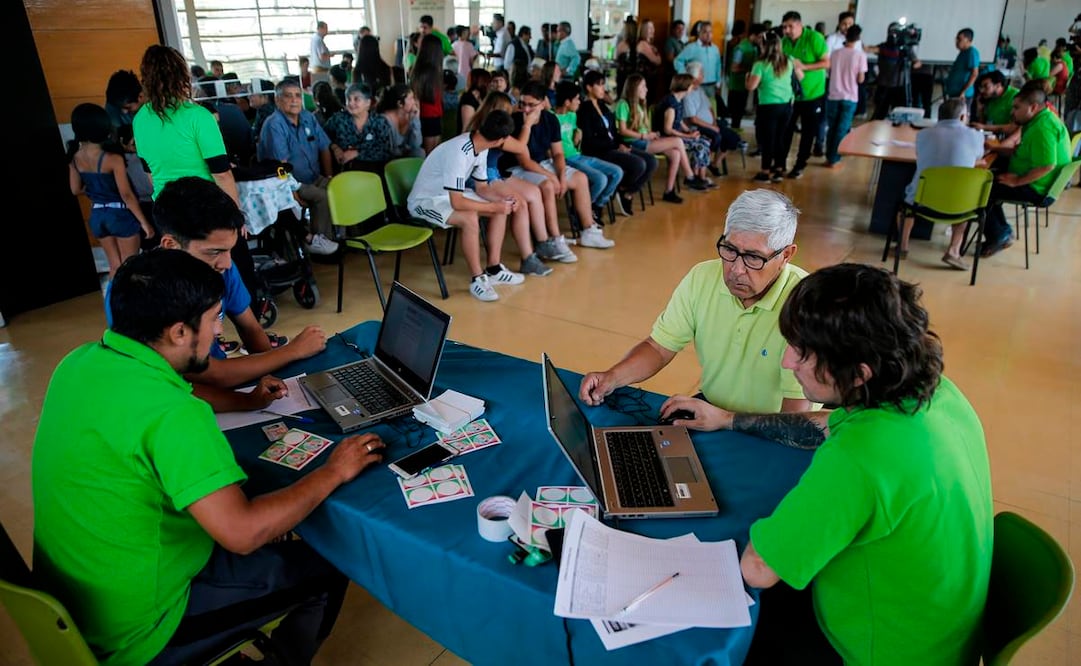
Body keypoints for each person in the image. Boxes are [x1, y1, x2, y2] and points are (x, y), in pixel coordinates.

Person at [33, 247, 385, 666]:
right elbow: (243, 532)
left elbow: (175, 393)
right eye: (215, 318)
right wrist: (334, 471)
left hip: (80, 599)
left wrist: (245, 403)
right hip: (143, 629)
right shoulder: (174, 415)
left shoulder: (80, 361)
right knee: (327, 568)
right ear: (179, 332)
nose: (219, 332)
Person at [665, 263, 991, 665]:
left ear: (858, 373)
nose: (787, 362)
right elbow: (829, 423)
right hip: (937, 628)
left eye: (802, 352)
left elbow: (758, 569)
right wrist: (729, 419)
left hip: (875, 651)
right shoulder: (935, 393)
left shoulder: (862, 456)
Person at [103, 176, 329, 410]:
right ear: (171, 245)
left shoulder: (220, 268)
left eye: (230, 250)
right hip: (180, 403)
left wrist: (275, 377)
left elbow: (250, 328)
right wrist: (291, 352)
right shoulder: (135, 290)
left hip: (221, 388)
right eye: (214, 251)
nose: (227, 264)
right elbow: (199, 377)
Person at [579, 188, 811, 414]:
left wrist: (727, 421)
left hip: (770, 428)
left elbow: (796, 417)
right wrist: (612, 377)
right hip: (711, 408)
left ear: (786, 255)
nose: (737, 270)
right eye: (729, 250)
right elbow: (659, 348)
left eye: (753, 257)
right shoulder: (702, 278)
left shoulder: (805, 305)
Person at [407, 109, 526, 302]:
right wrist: (493, 208)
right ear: (500, 141)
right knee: (470, 217)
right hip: (426, 200)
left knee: (499, 205)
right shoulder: (459, 152)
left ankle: (494, 268)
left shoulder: (481, 145)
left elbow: (481, 188)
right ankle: (478, 279)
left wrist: (501, 201)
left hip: (450, 195)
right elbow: (458, 202)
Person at [498, 82, 616, 249]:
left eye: (531, 105)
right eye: (522, 103)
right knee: (548, 185)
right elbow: (524, 161)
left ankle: (589, 230)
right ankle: (554, 237)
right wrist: (551, 177)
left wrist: (560, 175)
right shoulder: (516, 121)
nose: (525, 109)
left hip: (543, 163)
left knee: (581, 178)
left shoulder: (550, 119)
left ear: (543, 103)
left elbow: (558, 153)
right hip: (520, 167)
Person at [132, 45, 240, 207]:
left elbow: (150, 173)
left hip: (167, 209)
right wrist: (235, 214)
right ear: (183, 76)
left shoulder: (139, 119)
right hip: (205, 206)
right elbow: (222, 174)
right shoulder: (198, 116)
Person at [893, 99, 987, 270]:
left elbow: (921, 156)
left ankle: (903, 245)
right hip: (958, 205)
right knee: (966, 206)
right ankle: (953, 251)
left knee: (906, 203)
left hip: (922, 201)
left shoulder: (923, 135)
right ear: (962, 117)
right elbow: (978, 157)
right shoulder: (975, 135)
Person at [980, 85, 1071, 257]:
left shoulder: (1042, 128)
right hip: (1034, 178)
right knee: (990, 173)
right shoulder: (1040, 120)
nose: (1012, 112)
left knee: (982, 187)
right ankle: (1001, 230)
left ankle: (999, 234)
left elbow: (1047, 165)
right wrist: (998, 149)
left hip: (1037, 187)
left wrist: (1016, 181)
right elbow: (1025, 151)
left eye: (1016, 108)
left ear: (1033, 107)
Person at [67, 103, 155, 278]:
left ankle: (111, 304)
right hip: (120, 215)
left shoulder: (75, 157)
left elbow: (75, 189)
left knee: (114, 266)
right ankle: (130, 304)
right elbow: (126, 195)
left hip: (97, 215)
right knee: (130, 268)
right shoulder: (112, 158)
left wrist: (97, 190)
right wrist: (145, 223)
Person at [257, 78, 340, 255]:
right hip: (291, 183)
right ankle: (319, 243)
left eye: (297, 95)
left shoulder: (308, 116)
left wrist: (330, 176)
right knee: (322, 196)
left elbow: (324, 147)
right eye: (288, 96)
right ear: (278, 100)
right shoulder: (275, 125)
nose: (294, 100)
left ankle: (339, 238)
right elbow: (280, 166)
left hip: (314, 176)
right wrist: (291, 194)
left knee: (339, 188)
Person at [577, 69, 656, 216]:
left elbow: (614, 132)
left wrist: (621, 144)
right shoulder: (584, 110)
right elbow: (589, 141)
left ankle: (626, 190)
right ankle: (616, 191)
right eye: (599, 85)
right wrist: (616, 146)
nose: (603, 89)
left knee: (651, 161)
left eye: (603, 85)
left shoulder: (603, 107)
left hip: (614, 147)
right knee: (639, 164)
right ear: (589, 87)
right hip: (600, 151)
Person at [615, 73, 700, 203]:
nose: (646, 89)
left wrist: (651, 134)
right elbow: (623, 131)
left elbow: (643, 127)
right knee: (678, 141)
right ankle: (690, 176)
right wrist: (644, 136)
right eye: (643, 86)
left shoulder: (639, 105)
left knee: (676, 153)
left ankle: (669, 191)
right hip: (634, 143)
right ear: (634, 88)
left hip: (645, 140)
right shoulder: (623, 104)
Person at [553, 80, 626, 224]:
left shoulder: (573, 116)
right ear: (567, 102)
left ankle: (595, 206)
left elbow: (574, 141)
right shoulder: (551, 117)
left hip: (579, 155)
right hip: (566, 159)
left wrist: (577, 137)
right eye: (577, 99)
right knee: (600, 179)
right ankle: (580, 211)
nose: (579, 102)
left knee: (617, 172)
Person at [780, 11, 830, 178]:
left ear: (799, 25)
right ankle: (780, 163)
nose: (787, 30)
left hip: (813, 94)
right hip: (791, 95)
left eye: (790, 26)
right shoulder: (784, 42)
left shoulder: (814, 38)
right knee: (786, 129)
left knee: (808, 132)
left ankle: (800, 164)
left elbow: (826, 63)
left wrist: (803, 67)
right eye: (784, 27)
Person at [747, 32, 800, 183]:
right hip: (786, 104)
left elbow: (751, 86)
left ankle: (765, 172)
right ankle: (778, 169)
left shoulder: (760, 64)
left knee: (767, 139)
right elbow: (800, 77)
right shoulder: (788, 60)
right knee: (780, 138)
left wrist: (747, 79)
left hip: (768, 105)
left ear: (764, 45)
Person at [683, 61, 745, 177]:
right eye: (701, 73)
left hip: (711, 124)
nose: (703, 75)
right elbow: (693, 119)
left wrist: (714, 121)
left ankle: (714, 164)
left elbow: (710, 107)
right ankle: (700, 166)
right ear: (694, 76)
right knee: (716, 137)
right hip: (697, 127)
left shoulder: (700, 90)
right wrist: (712, 127)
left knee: (733, 138)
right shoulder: (688, 93)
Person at [654, 73, 716, 188]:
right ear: (686, 87)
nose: (693, 88)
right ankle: (694, 178)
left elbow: (679, 121)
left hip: (677, 135)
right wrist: (688, 136)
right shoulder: (670, 104)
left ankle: (699, 177)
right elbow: (668, 130)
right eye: (691, 85)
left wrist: (688, 131)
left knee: (705, 141)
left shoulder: (678, 100)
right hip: (667, 137)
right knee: (701, 145)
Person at [823, 24, 867, 167]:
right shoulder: (860, 55)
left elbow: (829, 72)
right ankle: (835, 157)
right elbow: (860, 79)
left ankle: (829, 156)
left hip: (834, 94)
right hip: (849, 96)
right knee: (842, 128)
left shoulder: (835, 53)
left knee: (832, 127)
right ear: (858, 38)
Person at [674, 20, 724, 110]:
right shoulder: (691, 47)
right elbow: (678, 61)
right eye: (705, 32)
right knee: (696, 109)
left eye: (710, 32)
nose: (708, 35)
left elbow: (718, 65)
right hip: (696, 85)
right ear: (699, 33)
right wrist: (686, 75)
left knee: (710, 109)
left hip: (711, 86)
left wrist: (718, 82)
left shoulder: (715, 49)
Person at [325, 83, 375, 169]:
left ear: (368, 102)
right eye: (348, 99)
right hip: (344, 170)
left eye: (356, 99)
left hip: (373, 171)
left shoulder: (378, 121)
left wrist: (357, 152)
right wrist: (335, 147)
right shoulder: (338, 119)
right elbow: (323, 136)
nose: (351, 103)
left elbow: (385, 149)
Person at [412, 34, 446, 153]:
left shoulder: (419, 69)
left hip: (427, 116)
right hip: (430, 116)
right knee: (432, 155)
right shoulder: (430, 71)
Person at [726, 23, 764, 131]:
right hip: (737, 85)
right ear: (753, 35)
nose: (761, 39)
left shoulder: (754, 48)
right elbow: (734, 68)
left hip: (745, 84)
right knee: (736, 112)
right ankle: (734, 132)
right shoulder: (741, 48)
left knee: (740, 110)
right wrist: (750, 70)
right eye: (760, 36)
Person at [104, 69, 144, 137]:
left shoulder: (154, 108)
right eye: (119, 107)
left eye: (128, 107)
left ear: (140, 97)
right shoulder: (113, 104)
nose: (124, 112)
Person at [945, 28, 980, 106]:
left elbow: (974, 74)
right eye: (956, 39)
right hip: (954, 93)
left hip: (962, 95)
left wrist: (963, 91)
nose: (956, 42)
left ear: (967, 40)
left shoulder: (971, 52)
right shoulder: (963, 52)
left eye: (959, 39)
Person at [458, 68, 491, 132]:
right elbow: (466, 127)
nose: (490, 84)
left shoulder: (483, 97)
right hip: (470, 137)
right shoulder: (468, 98)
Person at [505, 25, 536, 91]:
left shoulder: (528, 47)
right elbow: (507, 64)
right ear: (523, 34)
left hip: (526, 76)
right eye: (529, 35)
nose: (530, 37)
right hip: (517, 77)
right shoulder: (513, 45)